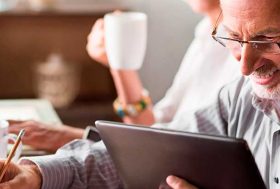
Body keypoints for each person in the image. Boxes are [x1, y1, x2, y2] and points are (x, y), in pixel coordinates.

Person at [1, 0, 280, 188]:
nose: (244, 66)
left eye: (267, 41)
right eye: (232, 38)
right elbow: (163, 144)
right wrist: (36, 173)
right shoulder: (239, 97)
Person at [8, 0, 239, 152]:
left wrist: (76, 138)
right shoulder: (205, 35)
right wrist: (119, 62)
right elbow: (151, 126)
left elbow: (166, 151)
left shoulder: (246, 57)